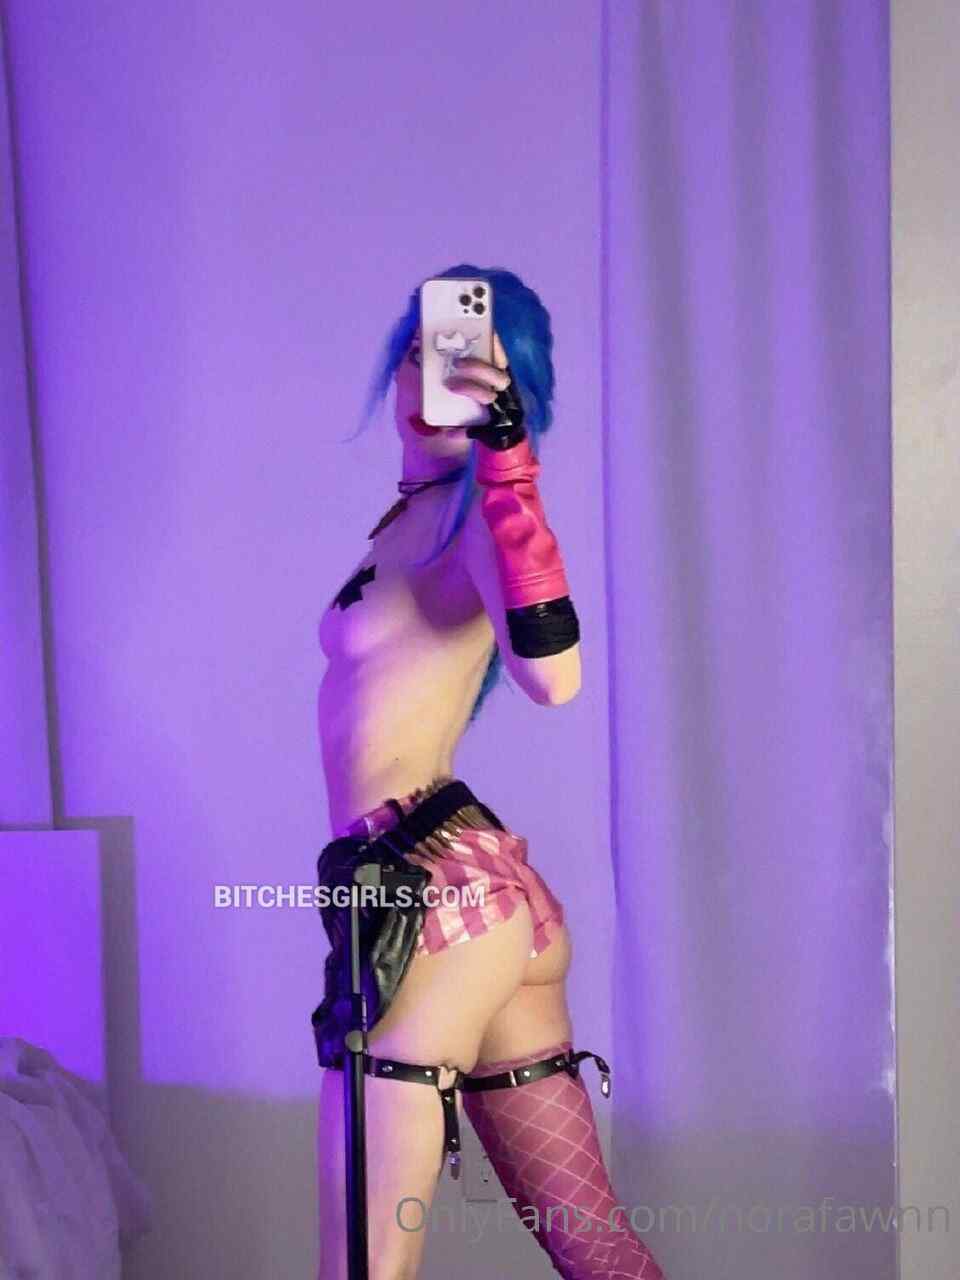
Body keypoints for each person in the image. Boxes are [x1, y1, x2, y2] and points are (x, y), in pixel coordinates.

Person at [313, 266, 664, 1280]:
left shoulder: (477, 515)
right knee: (598, 1250)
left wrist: (509, 461)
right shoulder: (416, 518)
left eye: (467, 361)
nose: (435, 379)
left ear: (516, 389)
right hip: (479, 895)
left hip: (429, 897)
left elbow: (554, 676)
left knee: (363, 1264)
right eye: (419, 352)